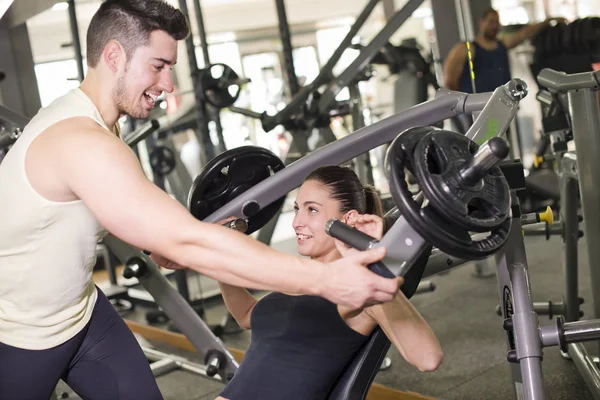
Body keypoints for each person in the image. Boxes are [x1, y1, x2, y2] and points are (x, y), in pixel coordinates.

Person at [0, 1, 401, 399]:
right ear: (114, 55)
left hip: (81, 312)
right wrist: (325, 278)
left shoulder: (100, 126)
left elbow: (128, 219)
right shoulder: (81, 141)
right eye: (158, 66)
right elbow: (186, 241)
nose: (169, 84)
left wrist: (159, 241)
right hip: (17, 332)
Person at [215, 166, 444, 400]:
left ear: (347, 219)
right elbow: (246, 315)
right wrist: (218, 256)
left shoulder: (357, 286)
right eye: (297, 209)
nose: (296, 222)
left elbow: (428, 358)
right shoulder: (307, 277)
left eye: (312, 210)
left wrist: (372, 269)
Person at [444, 8, 567, 94]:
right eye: (491, 22)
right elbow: (450, 82)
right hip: (476, 110)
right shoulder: (466, 48)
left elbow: (524, 33)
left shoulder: (502, 44)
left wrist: (548, 21)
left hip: (502, 105)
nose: (494, 26)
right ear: (482, 23)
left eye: (496, 22)